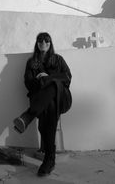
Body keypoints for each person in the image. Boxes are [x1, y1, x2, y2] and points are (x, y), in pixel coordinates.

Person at [13, 32, 72, 177]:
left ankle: (28, 116)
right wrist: (40, 81)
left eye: (47, 41)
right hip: (42, 101)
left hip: (61, 98)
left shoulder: (58, 59)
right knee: (49, 111)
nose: (43, 43)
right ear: (36, 43)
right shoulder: (31, 62)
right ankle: (49, 159)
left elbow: (67, 77)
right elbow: (27, 83)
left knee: (52, 85)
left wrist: (48, 78)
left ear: (50, 43)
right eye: (40, 41)